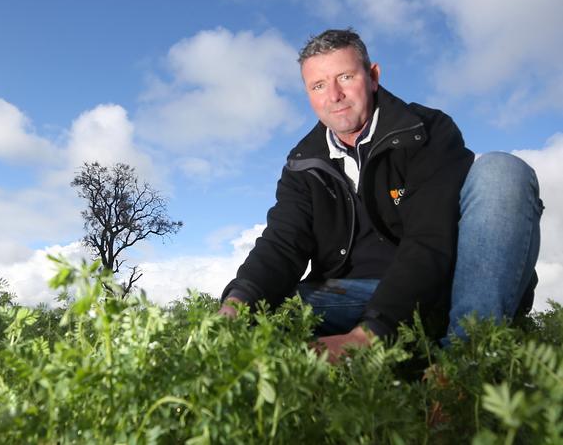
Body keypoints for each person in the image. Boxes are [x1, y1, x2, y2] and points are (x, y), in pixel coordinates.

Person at [218, 28, 543, 361]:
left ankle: (465, 359)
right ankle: (402, 356)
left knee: (503, 170)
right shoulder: (302, 163)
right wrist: (236, 303)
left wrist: (370, 334)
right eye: (318, 85)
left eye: (345, 77)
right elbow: (282, 244)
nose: (334, 95)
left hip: (441, 295)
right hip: (351, 297)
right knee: (260, 312)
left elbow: (431, 238)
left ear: (373, 77)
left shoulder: (427, 131)